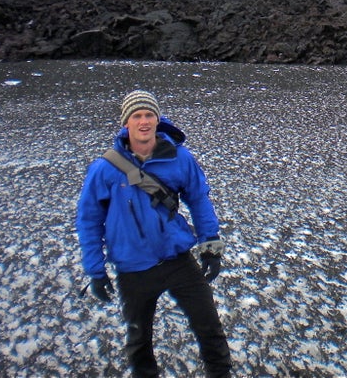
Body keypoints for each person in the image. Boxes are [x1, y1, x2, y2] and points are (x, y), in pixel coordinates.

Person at [76, 90, 233, 377]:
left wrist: (210, 244)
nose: (144, 121)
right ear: (127, 123)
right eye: (137, 116)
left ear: (157, 119)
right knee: (139, 342)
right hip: (132, 267)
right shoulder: (105, 169)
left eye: (149, 115)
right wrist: (95, 271)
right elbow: (88, 219)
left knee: (209, 327)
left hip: (177, 258)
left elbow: (198, 198)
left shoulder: (179, 157)